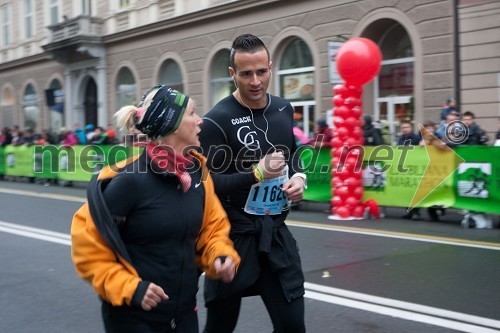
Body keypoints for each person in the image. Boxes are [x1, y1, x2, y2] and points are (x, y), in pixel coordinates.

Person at [71, 84, 240, 333]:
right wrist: (131, 288)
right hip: (135, 319)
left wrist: (220, 257)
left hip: (184, 316)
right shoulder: (129, 180)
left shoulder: (197, 174)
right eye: (192, 113)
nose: (200, 120)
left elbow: (212, 230)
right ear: (171, 125)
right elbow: (88, 249)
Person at [199, 34, 307, 333]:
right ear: (232, 74)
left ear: (270, 67)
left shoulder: (284, 108)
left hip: (274, 235)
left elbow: (293, 154)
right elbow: (210, 185)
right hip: (234, 238)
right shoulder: (215, 120)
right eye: (246, 74)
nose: (255, 81)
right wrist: (256, 174)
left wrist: (299, 178)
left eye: (261, 71)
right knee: (219, 327)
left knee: (292, 326)